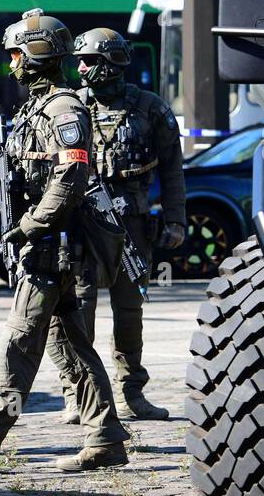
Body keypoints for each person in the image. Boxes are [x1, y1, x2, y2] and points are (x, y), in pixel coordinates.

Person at [0, 9, 130, 473]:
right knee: (72, 348)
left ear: (40, 53)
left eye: (18, 54)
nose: (12, 64)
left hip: (54, 248)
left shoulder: (64, 108)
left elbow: (72, 172)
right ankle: (104, 437)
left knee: (18, 345)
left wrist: (31, 225)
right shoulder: (33, 110)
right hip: (49, 247)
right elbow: (31, 168)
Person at [45, 28, 185, 424]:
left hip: (132, 226)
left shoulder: (151, 108)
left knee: (129, 308)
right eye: (80, 61)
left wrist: (175, 218)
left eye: (89, 60)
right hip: (83, 224)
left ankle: (130, 392)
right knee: (78, 306)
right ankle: (78, 392)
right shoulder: (69, 108)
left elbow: (174, 169)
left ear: (111, 65)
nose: (82, 67)